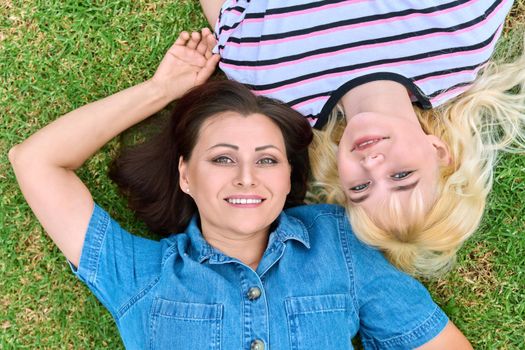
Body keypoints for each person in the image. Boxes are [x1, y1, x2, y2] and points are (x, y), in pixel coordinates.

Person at [9, 31, 472, 348]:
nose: (246, 176)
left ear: (290, 176)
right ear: (185, 175)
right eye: (222, 158)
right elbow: (34, 161)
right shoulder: (142, 275)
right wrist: (160, 90)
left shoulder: (340, 246)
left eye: (267, 159)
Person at [200, 0, 525, 277]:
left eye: (360, 188)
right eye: (401, 176)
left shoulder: (265, 75)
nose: (371, 165)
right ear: (438, 151)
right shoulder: (464, 36)